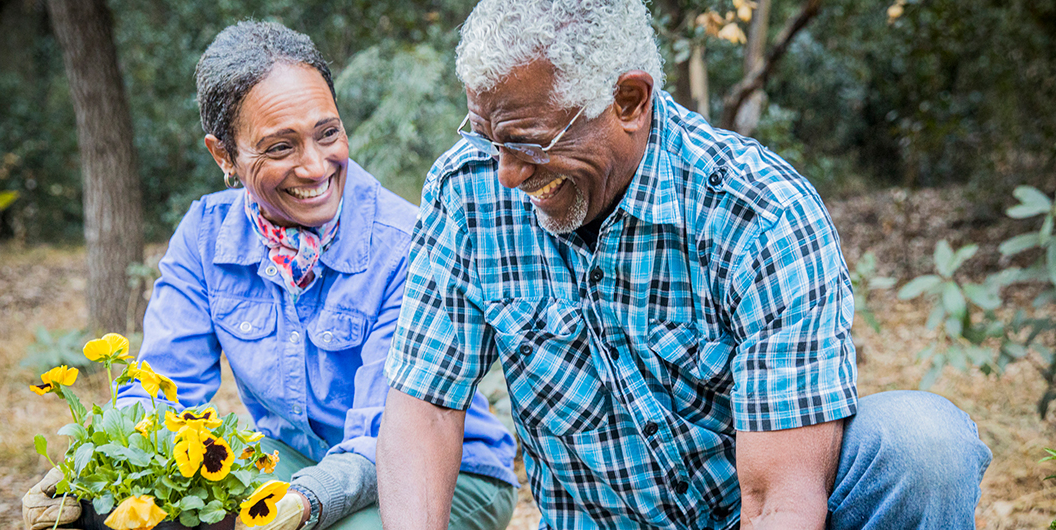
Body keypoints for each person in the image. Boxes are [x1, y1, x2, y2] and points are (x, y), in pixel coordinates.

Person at [376, 1, 992, 529]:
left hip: (753, 515)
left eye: (529, 143)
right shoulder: (466, 190)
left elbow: (777, 498)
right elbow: (424, 408)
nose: (506, 173)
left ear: (629, 100)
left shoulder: (761, 215)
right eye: (489, 140)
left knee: (923, 444)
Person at [21, 20, 518, 530]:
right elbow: (159, 393)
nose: (315, 166)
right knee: (119, 517)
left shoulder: (406, 241)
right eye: (280, 147)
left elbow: (387, 434)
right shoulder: (205, 236)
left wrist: (305, 501)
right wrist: (97, 470)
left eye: (328, 133)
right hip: (289, 457)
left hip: (444, 474)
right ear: (224, 155)